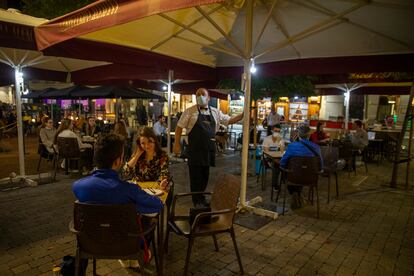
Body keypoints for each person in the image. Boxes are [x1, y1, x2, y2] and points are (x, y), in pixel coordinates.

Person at [73, 133, 163, 270]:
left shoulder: (78, 187)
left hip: (91, 245)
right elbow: (157, 205)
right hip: (125, 246)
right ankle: (139, 257)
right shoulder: (129, 190)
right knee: (147, 218)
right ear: (118, 161)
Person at [173, 88, 243, 207]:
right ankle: (197, 202)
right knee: (196, 177)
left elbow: (230, 120)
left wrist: (244, 114)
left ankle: (202, 199)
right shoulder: (190, 111)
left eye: (202, 94)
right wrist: (176, 144)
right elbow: (179, 127)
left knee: (205, 176)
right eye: (198, 94)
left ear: (209, 97)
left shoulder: (215, 111)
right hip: (194, 150)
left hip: (208, 150)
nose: (200, 96)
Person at [280, 124, 323, 209]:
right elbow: (320, 165)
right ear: (309, 135)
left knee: (290, 171)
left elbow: (282, 163)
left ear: (298, 135)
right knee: (303, 170)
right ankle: (298, 193)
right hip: (311, 178)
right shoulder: (316, 147)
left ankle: (294, 192)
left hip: (294, 177)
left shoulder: (291, 146)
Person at [262, 124, 286, 191]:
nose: (277, 133)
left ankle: (285, 180)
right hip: (268, 158)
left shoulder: (281, 139)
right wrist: (276, 150)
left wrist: (279, 142)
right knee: (277, 166)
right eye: (275, 131)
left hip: (279, 157)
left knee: (287, 163)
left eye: (278, 131)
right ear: (272, 130)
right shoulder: (267, 139)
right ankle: (275, 185)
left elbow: (282, 150)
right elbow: (266, 151)